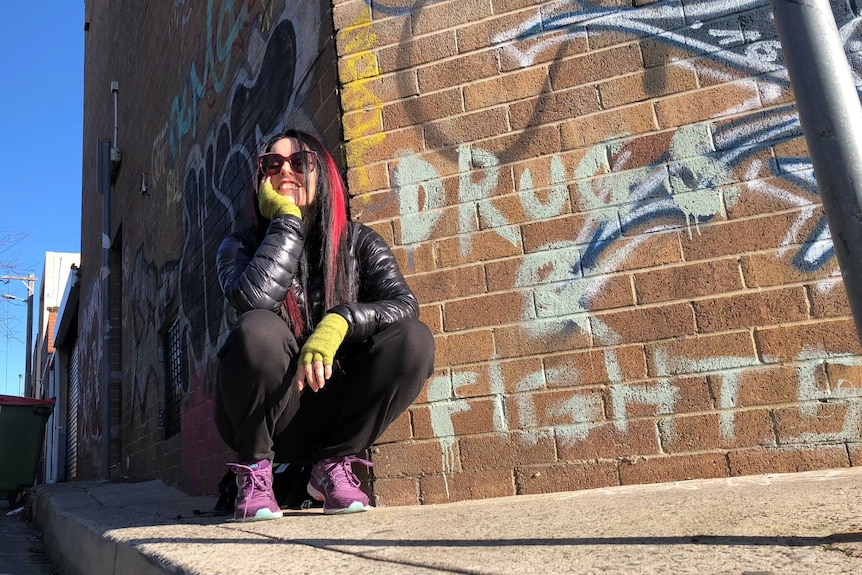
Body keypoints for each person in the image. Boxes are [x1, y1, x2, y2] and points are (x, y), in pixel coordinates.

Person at [214, 129, 435, 520]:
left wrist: (342, 319)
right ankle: (255, 472)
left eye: (299, 162)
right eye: (272, 165)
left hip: (335, 413)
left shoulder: (358, 243)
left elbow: (404, 305)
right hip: (269, 417)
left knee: (414, 341)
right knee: (259, 330)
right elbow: (254, 302)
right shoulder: (239, 247)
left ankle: (332, 467)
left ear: (323, 173)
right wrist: (286, 221)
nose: (285, 171)